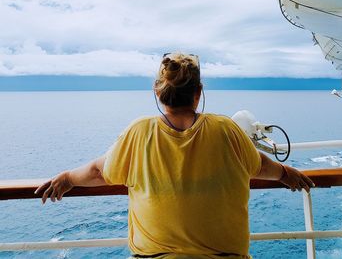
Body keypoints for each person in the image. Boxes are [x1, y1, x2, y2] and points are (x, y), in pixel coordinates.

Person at [35, 53, 315, 259]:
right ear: (198, 93)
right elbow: (258, 164)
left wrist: (68, 177)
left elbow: (99, 171)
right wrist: (285, 172)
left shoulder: (139, 132)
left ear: (158, 93)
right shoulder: (227, 130)